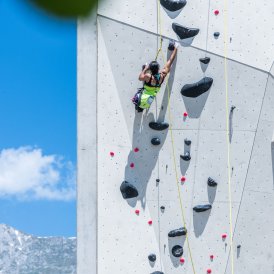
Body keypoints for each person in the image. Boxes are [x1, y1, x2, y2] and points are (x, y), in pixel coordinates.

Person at [133, 41, 178, 112]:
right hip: (150, 97)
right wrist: (176, 48)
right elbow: (170, 60)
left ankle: (139, 106)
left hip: (144, 96)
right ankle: (141, 107)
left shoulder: (148, 76)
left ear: (150, 69)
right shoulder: (162, 75)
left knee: (143, 76)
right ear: (158, 69)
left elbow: (140, 78)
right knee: (166, 68)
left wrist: (145, 69)